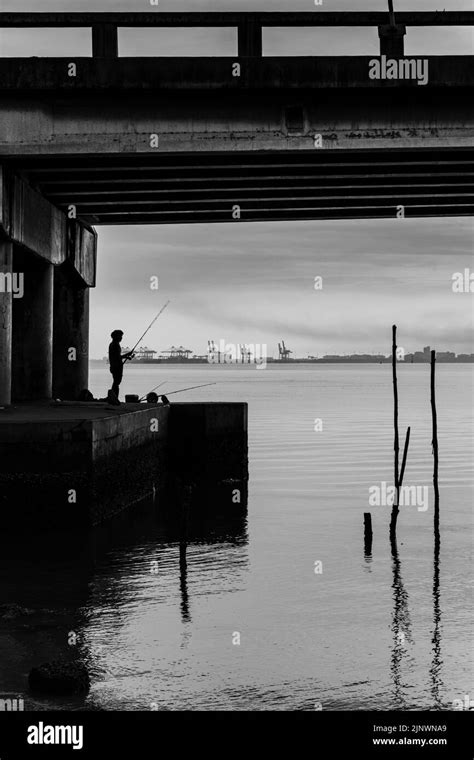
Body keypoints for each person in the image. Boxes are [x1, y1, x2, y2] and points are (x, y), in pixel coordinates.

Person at [108, 330, 134, 400]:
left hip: (115, 366)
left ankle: (113, 397)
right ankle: (114, 397)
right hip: (116, 367)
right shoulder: (115, 345)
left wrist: (127, 356)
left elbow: (117, 357)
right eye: (120, 336)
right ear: (116, 336)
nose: (121, 338)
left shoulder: (113, 344)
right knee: (116, 382)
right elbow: (117, 357)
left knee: (116, 382)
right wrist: (127, 355)